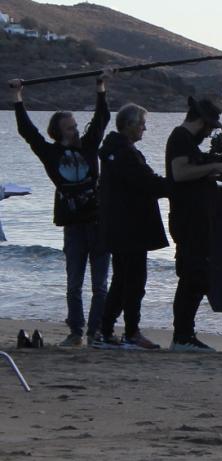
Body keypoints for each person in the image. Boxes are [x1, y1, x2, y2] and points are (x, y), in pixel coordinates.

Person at [9, 71, 113, 347]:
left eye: (75, 126)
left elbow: (102, 119)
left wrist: (101, 87)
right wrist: (17, 97)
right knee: (74, 284)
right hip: (73, 225)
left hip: (98, 222)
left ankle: (95, 332)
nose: (75, 130)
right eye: (69, 128)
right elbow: (27, 131)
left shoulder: (89, 146)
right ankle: (76, 332)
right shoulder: (50, 153)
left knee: (100, 285)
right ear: (58, 132)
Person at [93, 103, 170, 350]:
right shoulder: (124, 153)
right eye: (141, 124)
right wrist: (177, 186)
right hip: (130, 228)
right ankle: (130, 332)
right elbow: (146, 182)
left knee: (122, 280)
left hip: (120, 226)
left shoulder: (115, 151)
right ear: (129, 125)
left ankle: (106, 331)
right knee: (134, 282)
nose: (144, 129)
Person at [166, 97, 222, 352]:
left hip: (197, 220)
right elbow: (180, 173)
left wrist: (212, 169)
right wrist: (214, 166)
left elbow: (191, 172)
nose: (208, 134)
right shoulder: (180, 138)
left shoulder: (187, 142)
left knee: (197, 277)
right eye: (209, 128)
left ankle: (185, 334)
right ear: (202, 122)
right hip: (188, 221)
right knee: (192, 277)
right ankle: (182, 337)